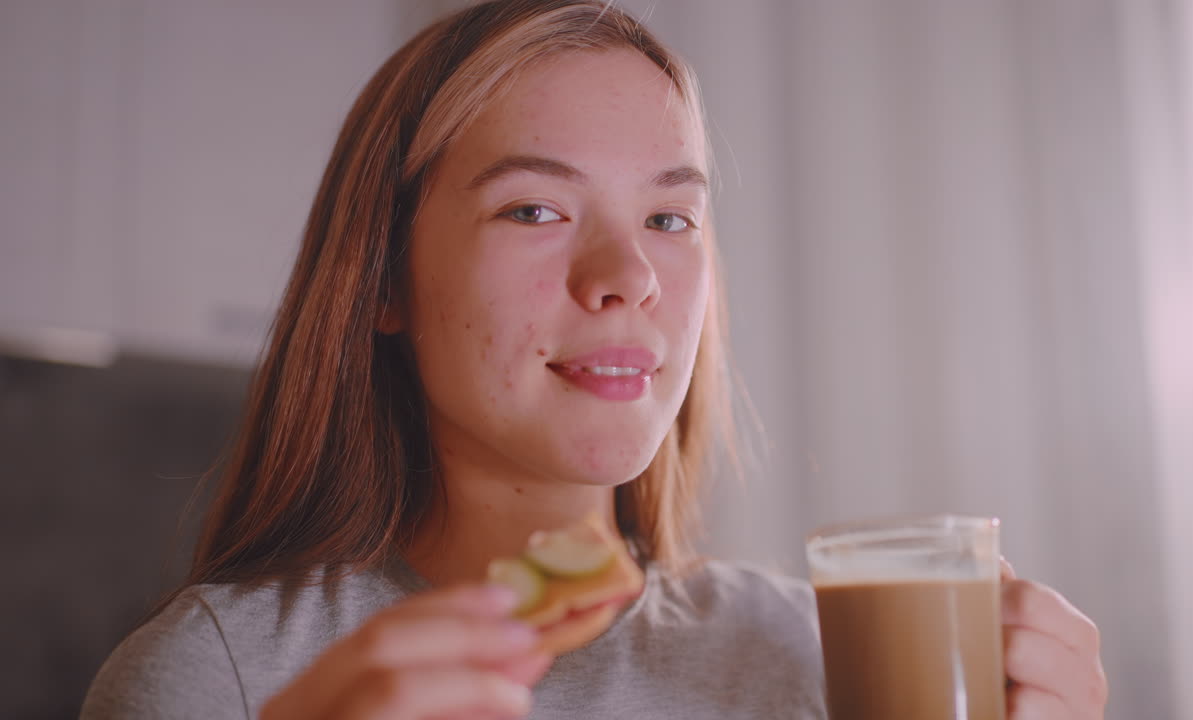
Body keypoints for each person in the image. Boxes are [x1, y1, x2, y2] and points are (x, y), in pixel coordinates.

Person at [81, 1, 1108, 718]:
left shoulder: (819, 657)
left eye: (670, 216)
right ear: (382, 279)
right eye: (534, 208)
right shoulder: (216, 676)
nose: (628, 276)